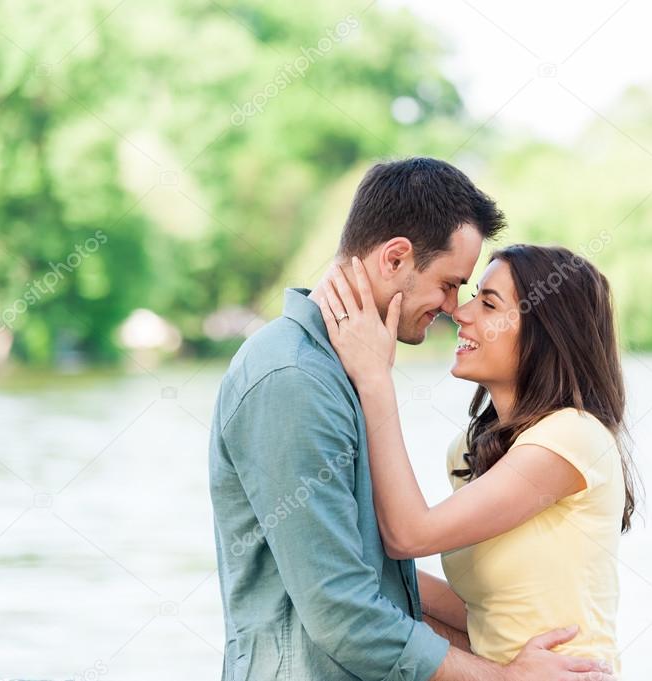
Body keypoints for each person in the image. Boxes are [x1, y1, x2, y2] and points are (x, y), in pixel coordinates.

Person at [208, 157, 615, 681]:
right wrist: (501, 676)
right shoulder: (295, 378)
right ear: (396, 258)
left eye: (478, 299)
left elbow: (384, 573)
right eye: (451, 284)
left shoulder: (345, 371)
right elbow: (343, 611)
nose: (454, 308)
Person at [315, 243, 637, 673]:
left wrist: (374, 376)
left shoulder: (573, 436)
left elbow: (408, 535)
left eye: (488, 304)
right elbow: (484, 616)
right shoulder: (469, 451)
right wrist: (342, 573)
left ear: (546, 331)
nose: (461, 313)